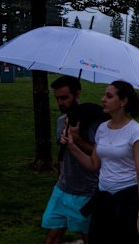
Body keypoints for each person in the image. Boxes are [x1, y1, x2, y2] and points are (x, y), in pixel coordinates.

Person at [65, 80, 139, 244]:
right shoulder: (102, 129)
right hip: (103, 200)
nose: (102, 99)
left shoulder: (135, 132)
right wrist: (71, 145)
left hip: (127, 201)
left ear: (123, 101)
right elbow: (94, 165)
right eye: (104, 95)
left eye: (109, 96)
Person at [42, 76, 106, 244]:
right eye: (57, 98)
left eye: (64, 98)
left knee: (89, 237)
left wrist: (76, 138)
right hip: (62, 189)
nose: (60, 103)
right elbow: (63, 154)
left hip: (86, 191)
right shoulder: (61, 121)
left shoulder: (95, 122)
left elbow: (101, 154)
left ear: (77, 94)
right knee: (52, 238)